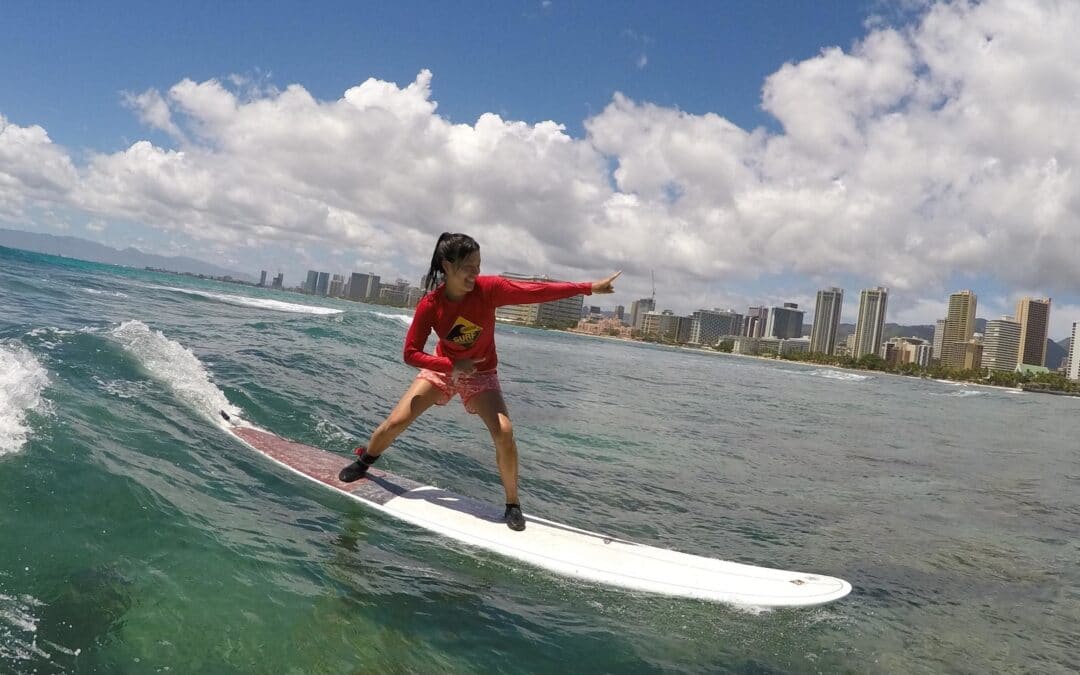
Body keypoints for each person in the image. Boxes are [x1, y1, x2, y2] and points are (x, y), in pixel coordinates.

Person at [338, 232, 620, 531]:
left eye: (479, 265)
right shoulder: (430, 305)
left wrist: (588, 288)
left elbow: (536, 291)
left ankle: (513, 504)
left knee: (504, 432)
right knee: (395, 423)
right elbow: (410, 353)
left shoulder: (489, 290)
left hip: (482, 375)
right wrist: (450, 364)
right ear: (447, 266)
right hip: (443, 368)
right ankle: (365, 461)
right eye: (469, 266)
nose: (476, 272)